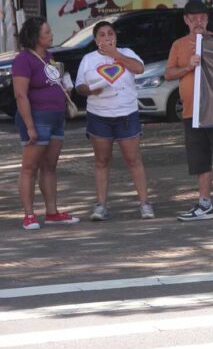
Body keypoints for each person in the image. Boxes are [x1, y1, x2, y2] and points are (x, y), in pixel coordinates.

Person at [165, 1, 213, 222]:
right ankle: (205, 204)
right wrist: (188, 66)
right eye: (193, 18)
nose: (198, 22)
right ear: (186, 20)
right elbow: (169, 74)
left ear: (207, 20)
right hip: (191, 112)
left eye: (202, 18)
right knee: (200, 161)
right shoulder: (178, 45)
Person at [75, 21, 155, 220]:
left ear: (116, 37)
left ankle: (145, 204)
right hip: (99, 115)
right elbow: (79, 87)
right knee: (102, 161)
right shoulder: (88, 59)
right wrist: (91, 89)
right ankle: (101, 205)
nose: (107, 38)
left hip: (126, 114)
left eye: (110, 34)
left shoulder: (127, 53)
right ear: (95, 40)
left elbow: (139, 69)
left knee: (133, 160)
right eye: (101, 35)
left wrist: (116, 55)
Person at [11, 17, 80, 230]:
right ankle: (29, 215)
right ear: (35, 37)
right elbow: (21, 95)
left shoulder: (48, 57)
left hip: (56, 117)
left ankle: (52, 212)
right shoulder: (23, 59)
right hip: (37, 118)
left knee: (50, 166)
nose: (51, 35)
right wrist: (30, 125)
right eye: (47, 32)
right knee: (30, 167)